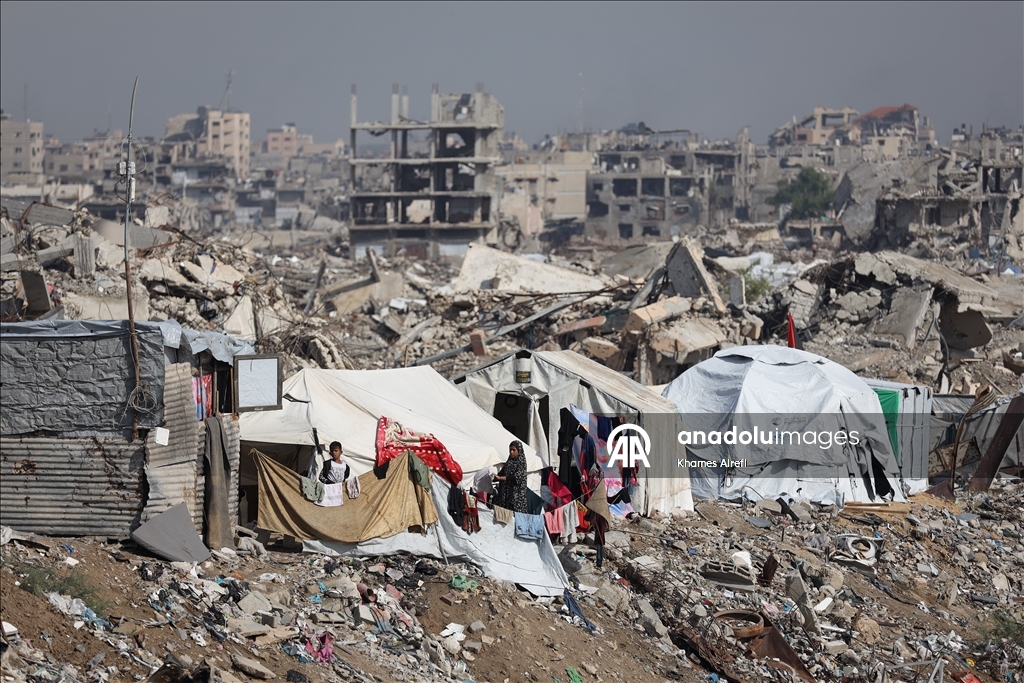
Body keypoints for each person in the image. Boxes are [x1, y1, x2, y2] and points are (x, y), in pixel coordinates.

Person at [493, 440, 528, 513]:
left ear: (519, 450)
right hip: (506, 496)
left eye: (514, 450)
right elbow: (502, 473)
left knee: (514, 516)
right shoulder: (509, 462)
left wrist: (501, 478)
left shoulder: (522, 462)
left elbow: (515, 477)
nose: (511, 452)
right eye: (510, 450)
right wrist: (494, 477)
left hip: (516, 497)